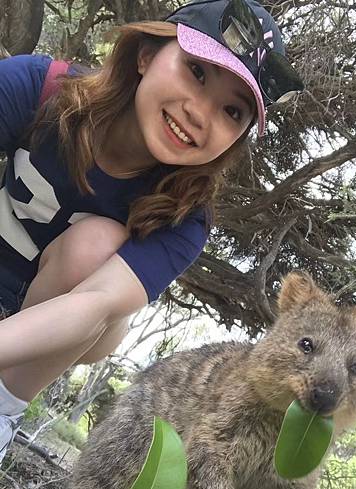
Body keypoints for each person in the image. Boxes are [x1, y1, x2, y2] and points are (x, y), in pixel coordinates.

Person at [0, 0, 304, 465]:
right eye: (197, 72)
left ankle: (5, 408)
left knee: (95, 247)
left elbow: (94, 304)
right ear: (146, 55)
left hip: (53, 321)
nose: (200, 113)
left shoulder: (185, 218)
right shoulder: (44, 89)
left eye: (232, 112)